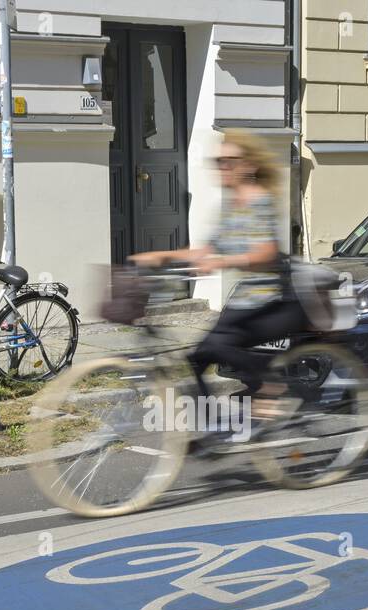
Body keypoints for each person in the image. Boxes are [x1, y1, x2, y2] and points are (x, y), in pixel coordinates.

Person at [130, 131, 305, 421]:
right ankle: (206, 432)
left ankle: (267, 384)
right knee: (196, 359)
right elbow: (205, 251)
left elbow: (267, 254)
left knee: (218, 346)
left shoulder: (260, 201)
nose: (223, 167)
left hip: (276, 303)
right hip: (247, 301)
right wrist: (161, 257)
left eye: (230, 161)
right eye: (219, 161)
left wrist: (223, 260)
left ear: (249, 165)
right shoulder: (230, 207)